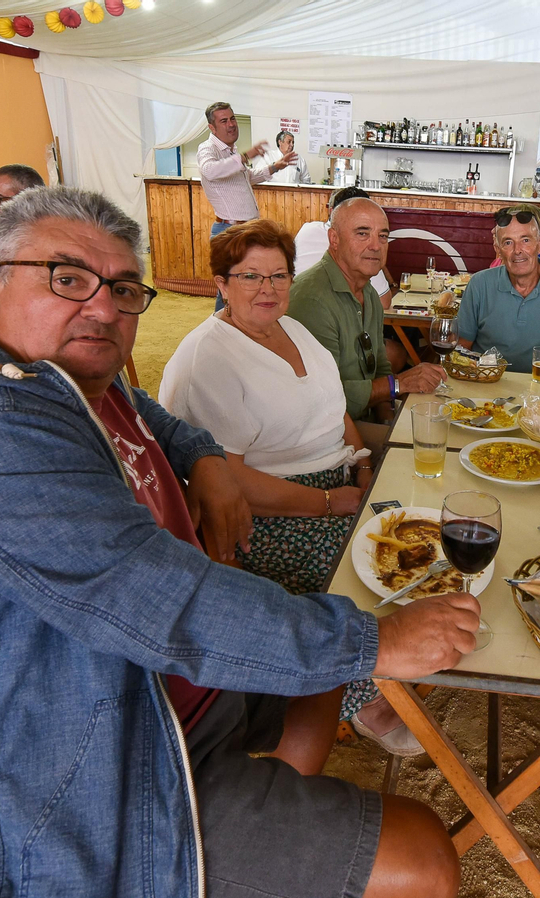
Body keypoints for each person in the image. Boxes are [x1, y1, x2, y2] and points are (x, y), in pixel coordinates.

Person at [0, 186, 474, 898]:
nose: (103, 308)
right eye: (67, 279)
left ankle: (263, 847)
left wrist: (204, 459)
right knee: (424, 857)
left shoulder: (60, 377)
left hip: (146, 693)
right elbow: (158, 600)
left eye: (122, 289)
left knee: (321, 676)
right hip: (83, 781)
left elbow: (156, 417)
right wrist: (375, 643)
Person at [160, 218, 424, 757]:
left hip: (339, 481)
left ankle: (381, 670)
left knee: (416, 536)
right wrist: (329, 502)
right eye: (250, 276)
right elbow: (226, 481)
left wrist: (361, 459)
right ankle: (364, 699)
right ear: (220, 283)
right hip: (271, 512)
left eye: (278, 275)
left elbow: (334, 410)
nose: (268, 288)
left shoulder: (293, 328)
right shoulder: (209, 357)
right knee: (361, 574)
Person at [288, 197, 443, 423]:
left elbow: (378, 367)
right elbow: (323, 398)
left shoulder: (368, 292)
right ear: (334, 239)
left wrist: (387, 423)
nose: (375, 246)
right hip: (324, 434)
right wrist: (399, 383)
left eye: (383, 236)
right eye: (362, 233)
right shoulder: (312, 299)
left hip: (360, 421)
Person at [454, 205, 540, 375]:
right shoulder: (479, 284)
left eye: (525, 240)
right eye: (508, 242)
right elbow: (462, 346)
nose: (517, 251)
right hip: (485, 386)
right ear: (498, 250)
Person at [197, 102, 297, 237]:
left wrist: (275, 167)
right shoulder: (207, 148)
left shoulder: (232, 150)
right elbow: (209, 171)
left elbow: (246, 177)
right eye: (224, 121)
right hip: (230, 231)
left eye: (232, 119)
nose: (231, 124)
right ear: (212, 128)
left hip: (245, 228)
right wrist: (245, 156)